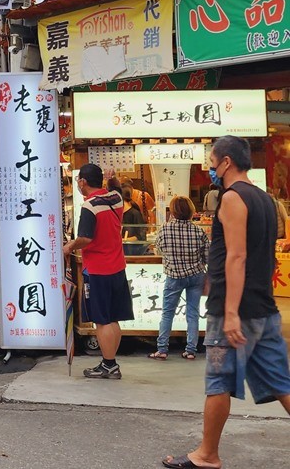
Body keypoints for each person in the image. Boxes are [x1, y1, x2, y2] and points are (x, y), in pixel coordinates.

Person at [164, 135, 290, 469]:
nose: (209, 167)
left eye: (210, 160)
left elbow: (236, 256)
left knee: (218, 382)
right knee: (281, 384)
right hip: (263, 307)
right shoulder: (265, 199)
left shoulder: (233, 198)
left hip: (232, 311)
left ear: (226, 162)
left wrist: (230, 312)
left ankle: (207, 455)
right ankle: (207, 453)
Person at [62, 163, 133, 380]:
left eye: (78, 180)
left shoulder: (90, 206)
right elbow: (117, 190)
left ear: (83, 182)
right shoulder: (116, 200)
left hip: (98, 270)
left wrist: (69, 246)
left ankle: (109, 364)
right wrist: (112, 180)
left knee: (102, 320)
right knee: (113, 318)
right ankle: (109, 362)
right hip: (117, 267)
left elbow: (86, 238)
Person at [149, 195, 208, 361]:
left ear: (173, 212)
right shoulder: (199, 231)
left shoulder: (165, 229)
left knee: (167, 314)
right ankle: (190, 350)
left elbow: (158, 250)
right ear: (191, 211)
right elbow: (207, 256)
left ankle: (162, 349)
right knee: (193, 313)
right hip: (196, 276)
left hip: (174, 276)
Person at [120, 186, 147, 253]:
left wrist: (124, 240)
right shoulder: (118, 213)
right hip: (121, 251)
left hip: (133, 251)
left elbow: (141, 236)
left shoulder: (135, 214)